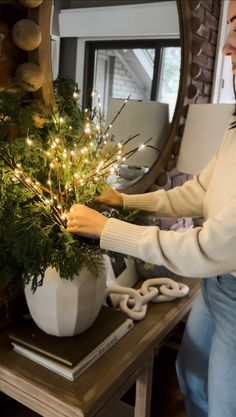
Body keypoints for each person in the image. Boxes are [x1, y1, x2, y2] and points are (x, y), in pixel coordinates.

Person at [67, 1, 236, 416]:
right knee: (191, 375)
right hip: (215, 287)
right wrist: (125, 199)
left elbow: (203, 248)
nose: (229, 45)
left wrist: (107, 229)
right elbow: (195, 194)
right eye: (230, 27)